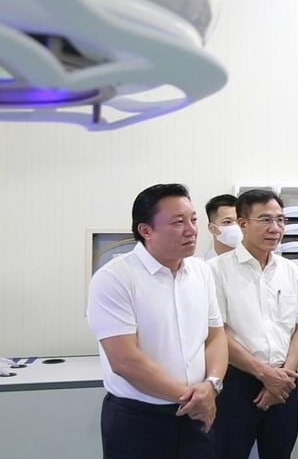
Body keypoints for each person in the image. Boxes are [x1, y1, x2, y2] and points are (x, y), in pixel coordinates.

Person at [87, 183, 228, 459]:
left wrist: (212, 385)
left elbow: (215, 337)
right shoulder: (114, 278)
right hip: (139, 420)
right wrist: (193, 399)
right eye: (178, 222)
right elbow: (125, 360)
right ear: (146, 230)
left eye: (193, 220)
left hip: (198, 412)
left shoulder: (201, 272)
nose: (191, 230)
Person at [207, 189, 298, 459]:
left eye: (280, 220)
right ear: (242, 223)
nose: (275, 228)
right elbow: (217, 334)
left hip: (285, 380)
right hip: (237, 381)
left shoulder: (289, 270)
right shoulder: (215, 270)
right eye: (266, 220)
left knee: (280, 452)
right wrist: (263, 374)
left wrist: (283, 376)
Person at [203, 194, 240, 260]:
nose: (236, 226)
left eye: (239, 221)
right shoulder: (202, 264)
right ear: (212, 228)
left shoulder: (255, 262)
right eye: (227, 222)